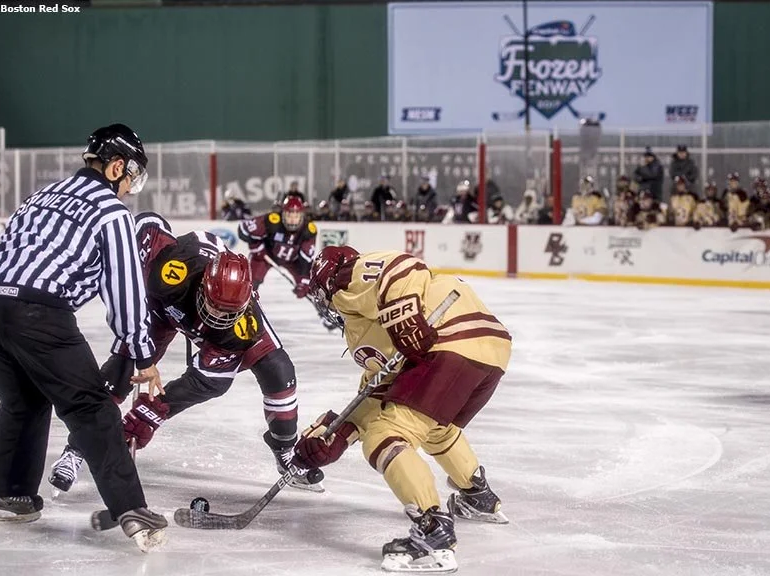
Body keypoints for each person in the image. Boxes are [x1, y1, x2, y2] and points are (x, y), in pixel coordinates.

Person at [0, 124, 166, 551]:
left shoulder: (40, 196)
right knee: (90, 406)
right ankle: (131, 509)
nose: (131, 188)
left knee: (23, 399)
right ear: (114, 168)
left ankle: (0, 493)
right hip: (35, 311)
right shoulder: (112, 213)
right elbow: (124, 292)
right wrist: (144, 355)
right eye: (132, 177)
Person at [49, 214, 323, 494]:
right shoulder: (172, 270)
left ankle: (285, 450)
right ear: (203, 285)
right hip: (164, 308)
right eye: (215, 306)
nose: (218, 317)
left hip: (213, 329)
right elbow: (149, 224)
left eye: (228, 312)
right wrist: (136, 306)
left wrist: (152, 413)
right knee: (122, 369)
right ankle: (77, 447)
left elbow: (207, 381)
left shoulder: (242, 327)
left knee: (279, 371)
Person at [294, 246, 512, 573]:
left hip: (450, 339)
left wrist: (402, 311)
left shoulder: (348, 276)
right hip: (490, 352)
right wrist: (337, 434)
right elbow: (378, 391)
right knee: (433, 428)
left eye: (321, 295)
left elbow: (401, 265)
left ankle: (432, 530)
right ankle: (476, 494)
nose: (324, 305)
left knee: (387, 435)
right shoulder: (361, 325)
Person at [238, 195, 335, 330]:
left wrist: (304, 282)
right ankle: (240, 312)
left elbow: (306, 261)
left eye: (296, 215)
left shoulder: (308, 230)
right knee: (250, 282)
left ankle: (327, 313)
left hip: (293, 261)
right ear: (283, 213)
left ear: (302, 216)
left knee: (313, 285)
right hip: (266, 255)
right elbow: (243, 230)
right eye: (289, 214)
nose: (292, 219)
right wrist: (256, 245)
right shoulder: (271, 221)